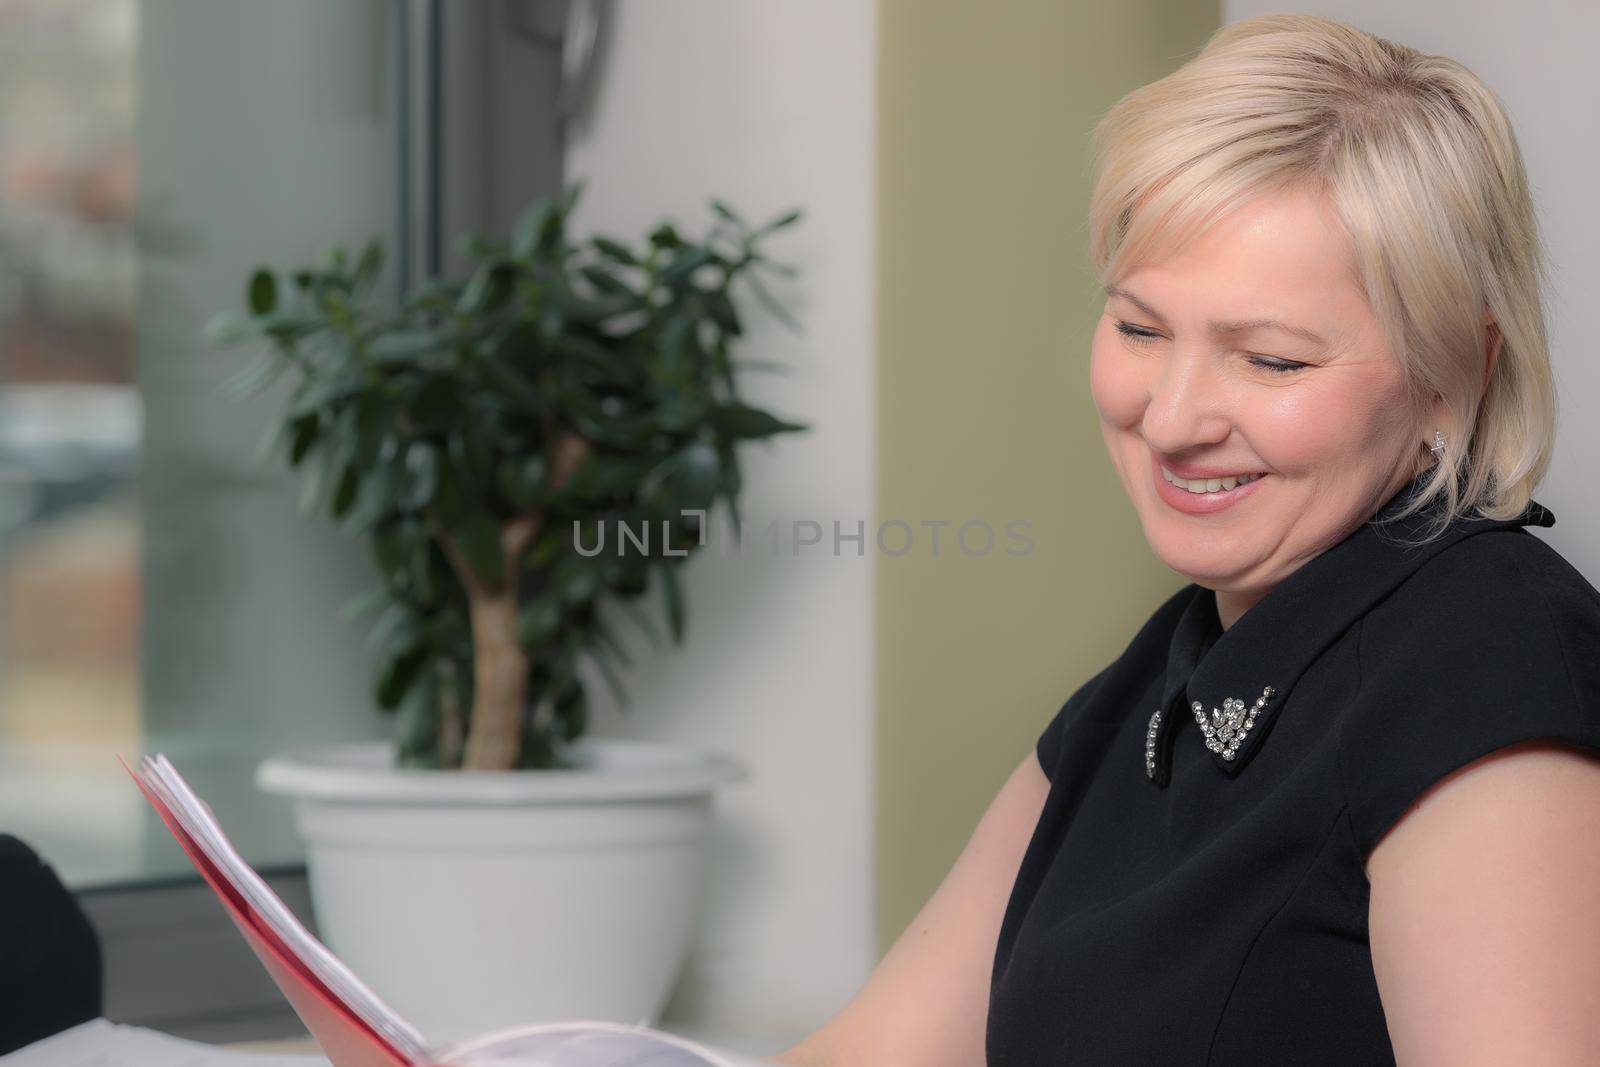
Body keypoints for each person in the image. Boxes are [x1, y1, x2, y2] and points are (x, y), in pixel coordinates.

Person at [772, 13, 1600, 1066]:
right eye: (1139, 328)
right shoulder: (1146, 691)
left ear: (1457, 378)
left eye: (1269, 360)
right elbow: (875, 1052)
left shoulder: (1490, 662)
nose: (1169, 418)